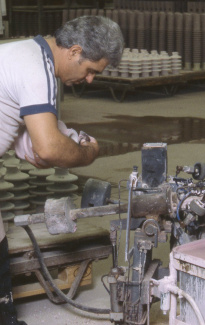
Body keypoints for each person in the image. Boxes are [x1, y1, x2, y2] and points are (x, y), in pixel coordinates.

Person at [0, 15, 124, 324]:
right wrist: (87, 152)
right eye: (91, 70)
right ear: (74, 51)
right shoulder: (38, 70)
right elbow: (49, 148)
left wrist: (57, 140)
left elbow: (31, 141)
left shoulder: (26, 53)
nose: (91, 79)